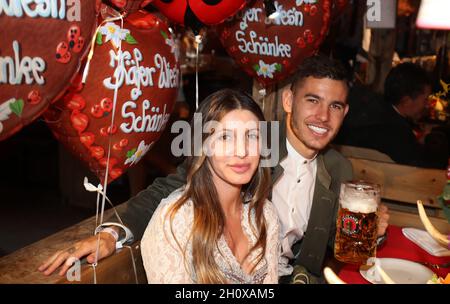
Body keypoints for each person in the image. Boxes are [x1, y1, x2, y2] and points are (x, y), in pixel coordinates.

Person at [39, 55, 390, 282]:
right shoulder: (255, 146)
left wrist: (371, 232)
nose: (322, 117)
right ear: (288, 101)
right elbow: (173, 190)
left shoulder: (338, 168)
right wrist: (111, 234)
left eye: (335, 106)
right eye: (312, 100)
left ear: (345, 113)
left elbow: (331, 241)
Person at [140, 89, 279, 283]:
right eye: (225, 137)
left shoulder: (264, 215)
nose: (242, 151)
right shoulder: (177, 219)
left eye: (252, 136)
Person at [336, 62, 448, 168]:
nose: (427, 105)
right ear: (406, 101)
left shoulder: (363, 108)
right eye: (425, 99)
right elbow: (423, 171)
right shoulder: (397, 132)